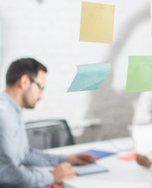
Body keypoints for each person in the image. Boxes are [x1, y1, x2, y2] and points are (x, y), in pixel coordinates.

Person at [0, 58, 97, 188]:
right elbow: (5, 173)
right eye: (40, 87)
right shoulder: (4, 115)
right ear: (24, 82)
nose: (41, 95)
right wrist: (52, 176)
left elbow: (25, 155)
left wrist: (67, 160)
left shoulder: (13, 110)